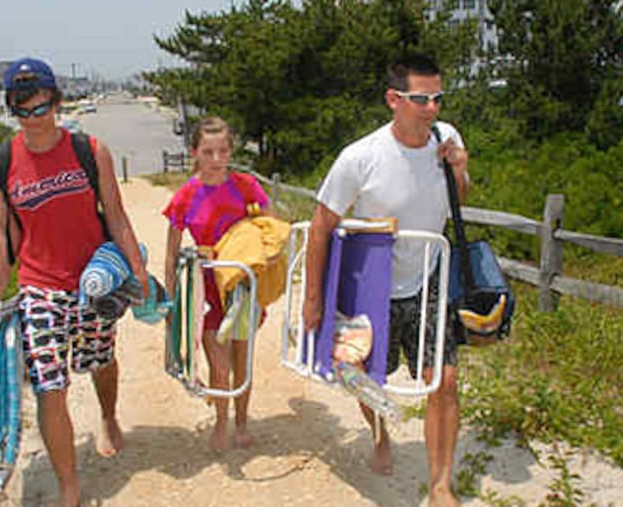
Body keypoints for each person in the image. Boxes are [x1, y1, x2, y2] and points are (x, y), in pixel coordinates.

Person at [302, 54, 469, 507]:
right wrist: (313, 299)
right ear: (394, 99)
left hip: (429, 276)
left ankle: (440, 485)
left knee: (445, 381)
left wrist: (458, 168)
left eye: (437, 98)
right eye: (421, 99)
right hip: (372, 282)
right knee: (367, 378)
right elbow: (321, 225)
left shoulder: (447, 138)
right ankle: (379, 434)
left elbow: (459, 200)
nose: (432, 108)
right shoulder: (360, 157)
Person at [0, 57, 149, 507]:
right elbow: (6, 232)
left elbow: (115, 216)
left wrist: (137, 271)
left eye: (42, 108)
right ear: (12, 110)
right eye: (23, 111)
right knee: (49, 386)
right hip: (38, 285)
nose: (35, 120)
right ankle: (70, 490)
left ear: (57, 102)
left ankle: (110, 416)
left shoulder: (89, 150)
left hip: (93, 280)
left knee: (100, 359)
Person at [163, 116, 270, 452]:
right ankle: (221, 423)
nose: (216, 159)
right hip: (206, 290)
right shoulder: (185, 196)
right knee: (219, 368)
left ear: (230, 150)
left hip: (242, 287)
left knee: (243, 362)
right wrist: (170, 303)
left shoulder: (246, 186)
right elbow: (171, 254)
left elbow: (268, 229)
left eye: (222, 151)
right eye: (207, 152)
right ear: (194, 152)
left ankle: (241, 422)